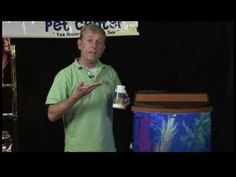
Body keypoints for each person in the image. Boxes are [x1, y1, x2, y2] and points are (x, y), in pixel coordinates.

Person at [45, 24, 130, 152]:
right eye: (89, 40)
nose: (94, 46)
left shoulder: (110, 72)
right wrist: (75, 97)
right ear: (80, 44)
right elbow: (51, 115)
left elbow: (117, 103)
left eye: (99, 42)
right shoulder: (65, 75)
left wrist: (123, 103)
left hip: (107, 147)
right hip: (77, 149)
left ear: (103, 48)